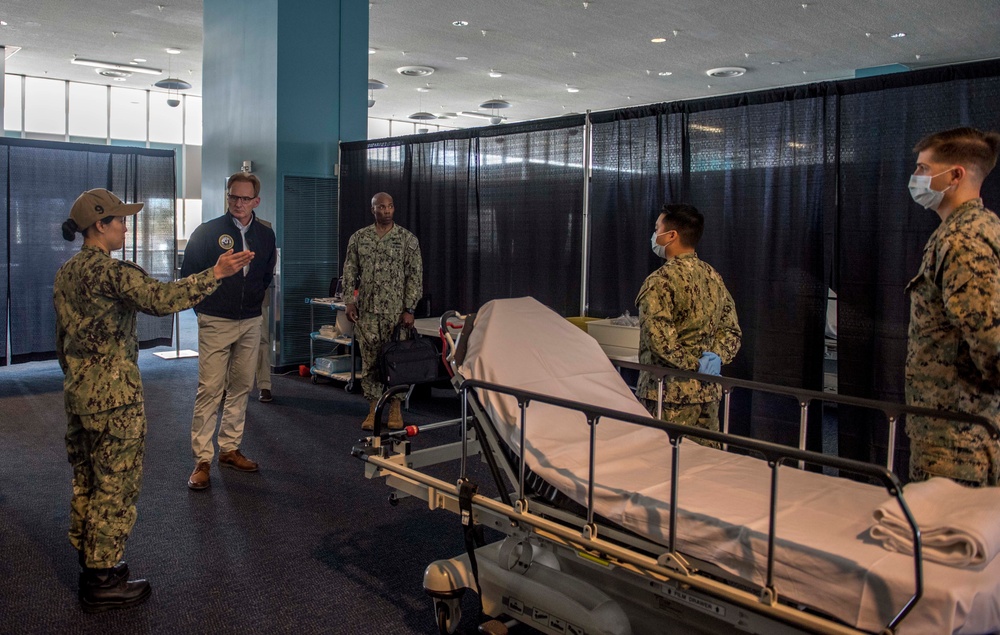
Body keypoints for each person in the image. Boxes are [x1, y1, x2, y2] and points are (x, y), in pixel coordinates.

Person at [54, 188, 253, 612]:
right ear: (99, 225)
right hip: (114, 401)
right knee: (115, 485)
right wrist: (214, 274)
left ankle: (92, 562)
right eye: (120, 221)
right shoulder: (111, 272)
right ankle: (103, 580)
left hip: (80, 395)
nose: (126, 227)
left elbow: (62, 340)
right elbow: (163, 301)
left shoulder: (67, 272)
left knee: (87, 479)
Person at [905, 127, 1000, 487]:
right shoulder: (981, 227)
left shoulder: (963, 240)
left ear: (955, 174)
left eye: (923, 169)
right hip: (959, 430)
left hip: (958, 442)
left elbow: (991, 342)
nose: (915, 179)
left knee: (941, 539)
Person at [181, 172, 277, 490]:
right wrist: (206, 310)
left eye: (245, 198)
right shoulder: (208, 232)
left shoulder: (265, 235)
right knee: (210, 389)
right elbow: (188, 278)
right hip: (215, 319)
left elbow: (265, 275)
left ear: (256, 201)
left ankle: (229, 448)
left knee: (240, 386)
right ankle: (202, 460)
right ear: (227, 197)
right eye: (233, 196)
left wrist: (251, 305)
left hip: (250, 320)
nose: (238, 203)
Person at [636, 203, 742, 447]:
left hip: (668, 395)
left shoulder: (660, 281)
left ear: (671, 235)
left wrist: (694, 365)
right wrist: (715, 358)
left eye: (657, 229)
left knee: (665, 467)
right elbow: (732, 332)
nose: (654, 235)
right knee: (704, 470)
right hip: (708, 394)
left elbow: (659, 342)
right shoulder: (713, 277)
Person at [342, 192, 423, 430]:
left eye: (389, 207)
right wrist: (349, 301)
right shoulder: (359, 238)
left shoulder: (407, 239)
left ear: (394, 208)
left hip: (396, 315)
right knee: (370, 362)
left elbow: (415, 276)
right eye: (380, 207)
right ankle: (373, 409)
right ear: (373, 210)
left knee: (396, 363)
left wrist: (409, 308)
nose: (385, 211)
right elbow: (350, 270)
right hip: (367, 312)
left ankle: (395, 409)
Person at [255, 217, 274, 403]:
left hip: (259, 295)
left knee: (262, 340)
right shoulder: (219, 228)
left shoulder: (265, 228)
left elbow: (270, 263)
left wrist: (260, 287)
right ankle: (226, 387)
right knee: (230, 343)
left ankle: (264, 385)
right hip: (230, 298)